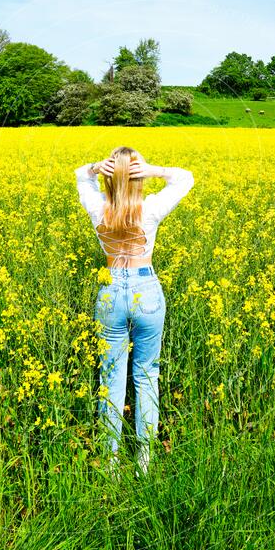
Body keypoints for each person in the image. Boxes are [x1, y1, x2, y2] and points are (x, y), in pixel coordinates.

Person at [74, 146, 194, 478]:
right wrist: (152, 169)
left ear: (110, 177)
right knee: (146, 376)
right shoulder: (150, 209)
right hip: (147, 290)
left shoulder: (99, 210)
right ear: (138, 176)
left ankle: (110, 463)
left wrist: (98, 167)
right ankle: (144, 461)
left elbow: (80, 175)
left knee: (111, 378)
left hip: (111, 290)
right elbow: (186, 178)